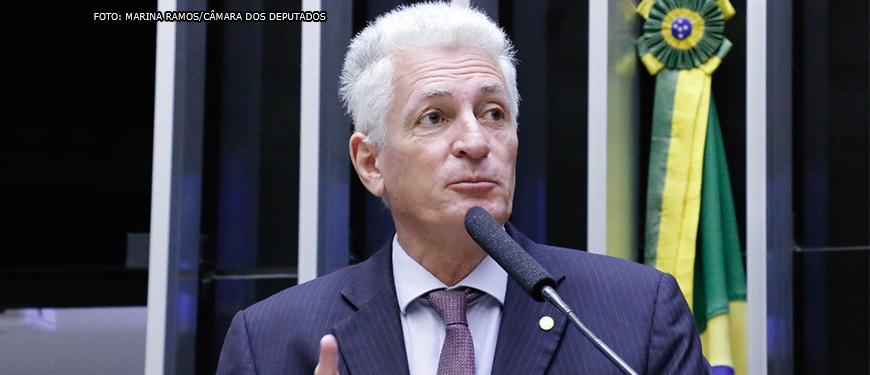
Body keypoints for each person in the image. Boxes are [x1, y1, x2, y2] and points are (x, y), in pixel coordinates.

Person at [216, 3, 710, 375]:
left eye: (494, 113)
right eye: (435, 117)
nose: (476, 141)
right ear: (371, 164)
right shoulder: (272, 341)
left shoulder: (635, 314)